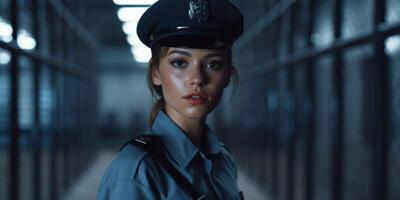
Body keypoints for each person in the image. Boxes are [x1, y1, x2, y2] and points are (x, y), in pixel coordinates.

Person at [97, 0, 244, 199]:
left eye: (213, 64)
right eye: (180, 62)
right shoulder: (135, 172)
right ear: (156, 73)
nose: (197, 79)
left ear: (227, 75)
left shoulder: (223, 159)